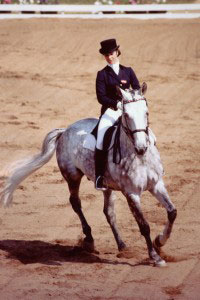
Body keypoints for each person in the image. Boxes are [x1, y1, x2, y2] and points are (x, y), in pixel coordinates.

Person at [95, 38, 140, 191]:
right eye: (106, 55)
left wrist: (129, 103)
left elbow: (137, 88)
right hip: (111, 111)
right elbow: (101, 97)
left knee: (144, 131)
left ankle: (154, 164)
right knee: (100, 139)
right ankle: (100, 176)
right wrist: (116, 104)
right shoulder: (102, 74)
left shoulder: (128, 71)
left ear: (117, 52)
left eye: (111, 53)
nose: (109, 57)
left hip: (129, 111)